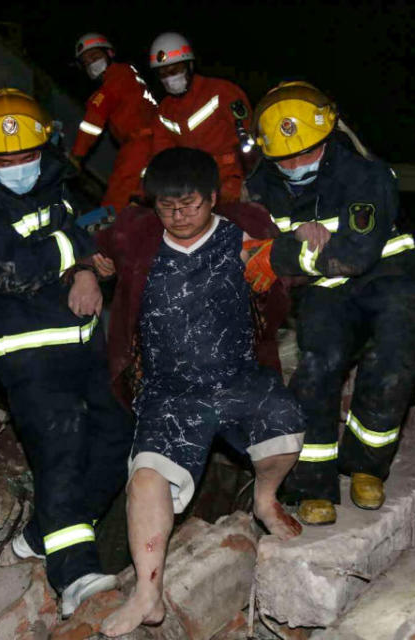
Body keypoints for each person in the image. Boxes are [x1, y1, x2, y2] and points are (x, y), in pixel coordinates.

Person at [93, 148, 305, 636]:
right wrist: (86, 271)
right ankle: (148, 595)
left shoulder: (245, 230)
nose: (178, 216)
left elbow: (295, 268)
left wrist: (302, 247)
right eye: (167, 206)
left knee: (286, 427)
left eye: (189, 204)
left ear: (213, 198)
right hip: (170, 392)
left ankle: (266, 498)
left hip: (238, 378)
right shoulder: (136, 233)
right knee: (145, 482)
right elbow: (94, 250)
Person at [0, 89, 133, 618]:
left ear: (44, 148)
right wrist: (83, 255)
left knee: (119, 432)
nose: (17, 166)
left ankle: (42, 534)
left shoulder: (54, 187)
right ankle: (75, 575)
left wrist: (88, 271)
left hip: (80, 339)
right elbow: (14, 271)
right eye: (4, 159)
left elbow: (69, 239)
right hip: (26, 353)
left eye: (26, 155)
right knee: (63, 445)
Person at [243, 82, 415, 523]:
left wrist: (285, 252)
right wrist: (287, 246)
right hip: (323, 292)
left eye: (305, 152)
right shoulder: (260, 187)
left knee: (396, 354)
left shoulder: (366, 175)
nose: (295, 164)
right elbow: (247, 251)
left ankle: (367, 467)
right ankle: (313, 484)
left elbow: (353, 255)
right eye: (284, 157)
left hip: (388, 280)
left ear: (327, 138)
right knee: (318, 364)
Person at [148, 32, 252, 203]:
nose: (169, 78)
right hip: (197, 188)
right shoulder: (164, 112)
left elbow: (249, 136)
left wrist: (250, 181)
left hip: (234, 180)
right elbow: (162, 158)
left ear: (189, 65)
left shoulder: (221, 91)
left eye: (175, 70)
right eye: (163, 73)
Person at [71, 33, 159, 213]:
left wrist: (76, 156)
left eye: (95, 56)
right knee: (138, 201)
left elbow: (93, 120)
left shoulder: (115, 78)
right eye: (86, 62)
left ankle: (100, 238)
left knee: (115, 204)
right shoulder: (130, 76)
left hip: (139, 146)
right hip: (156, 144)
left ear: (110, 53)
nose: (92, 64)